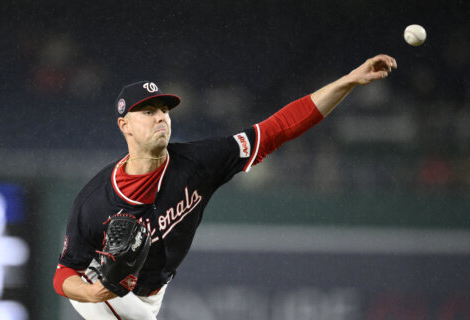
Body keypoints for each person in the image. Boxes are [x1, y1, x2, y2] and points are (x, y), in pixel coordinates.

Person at [53, 54, 397, 319]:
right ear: (124, 125)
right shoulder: (95, 200)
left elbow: (279, 128)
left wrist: (349, 81)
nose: (160, 117)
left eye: (164, 110)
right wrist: (92, 293)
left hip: (152, 296)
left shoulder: (200, 162)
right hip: (107, 295)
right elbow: (64, 273)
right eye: (148, 112)